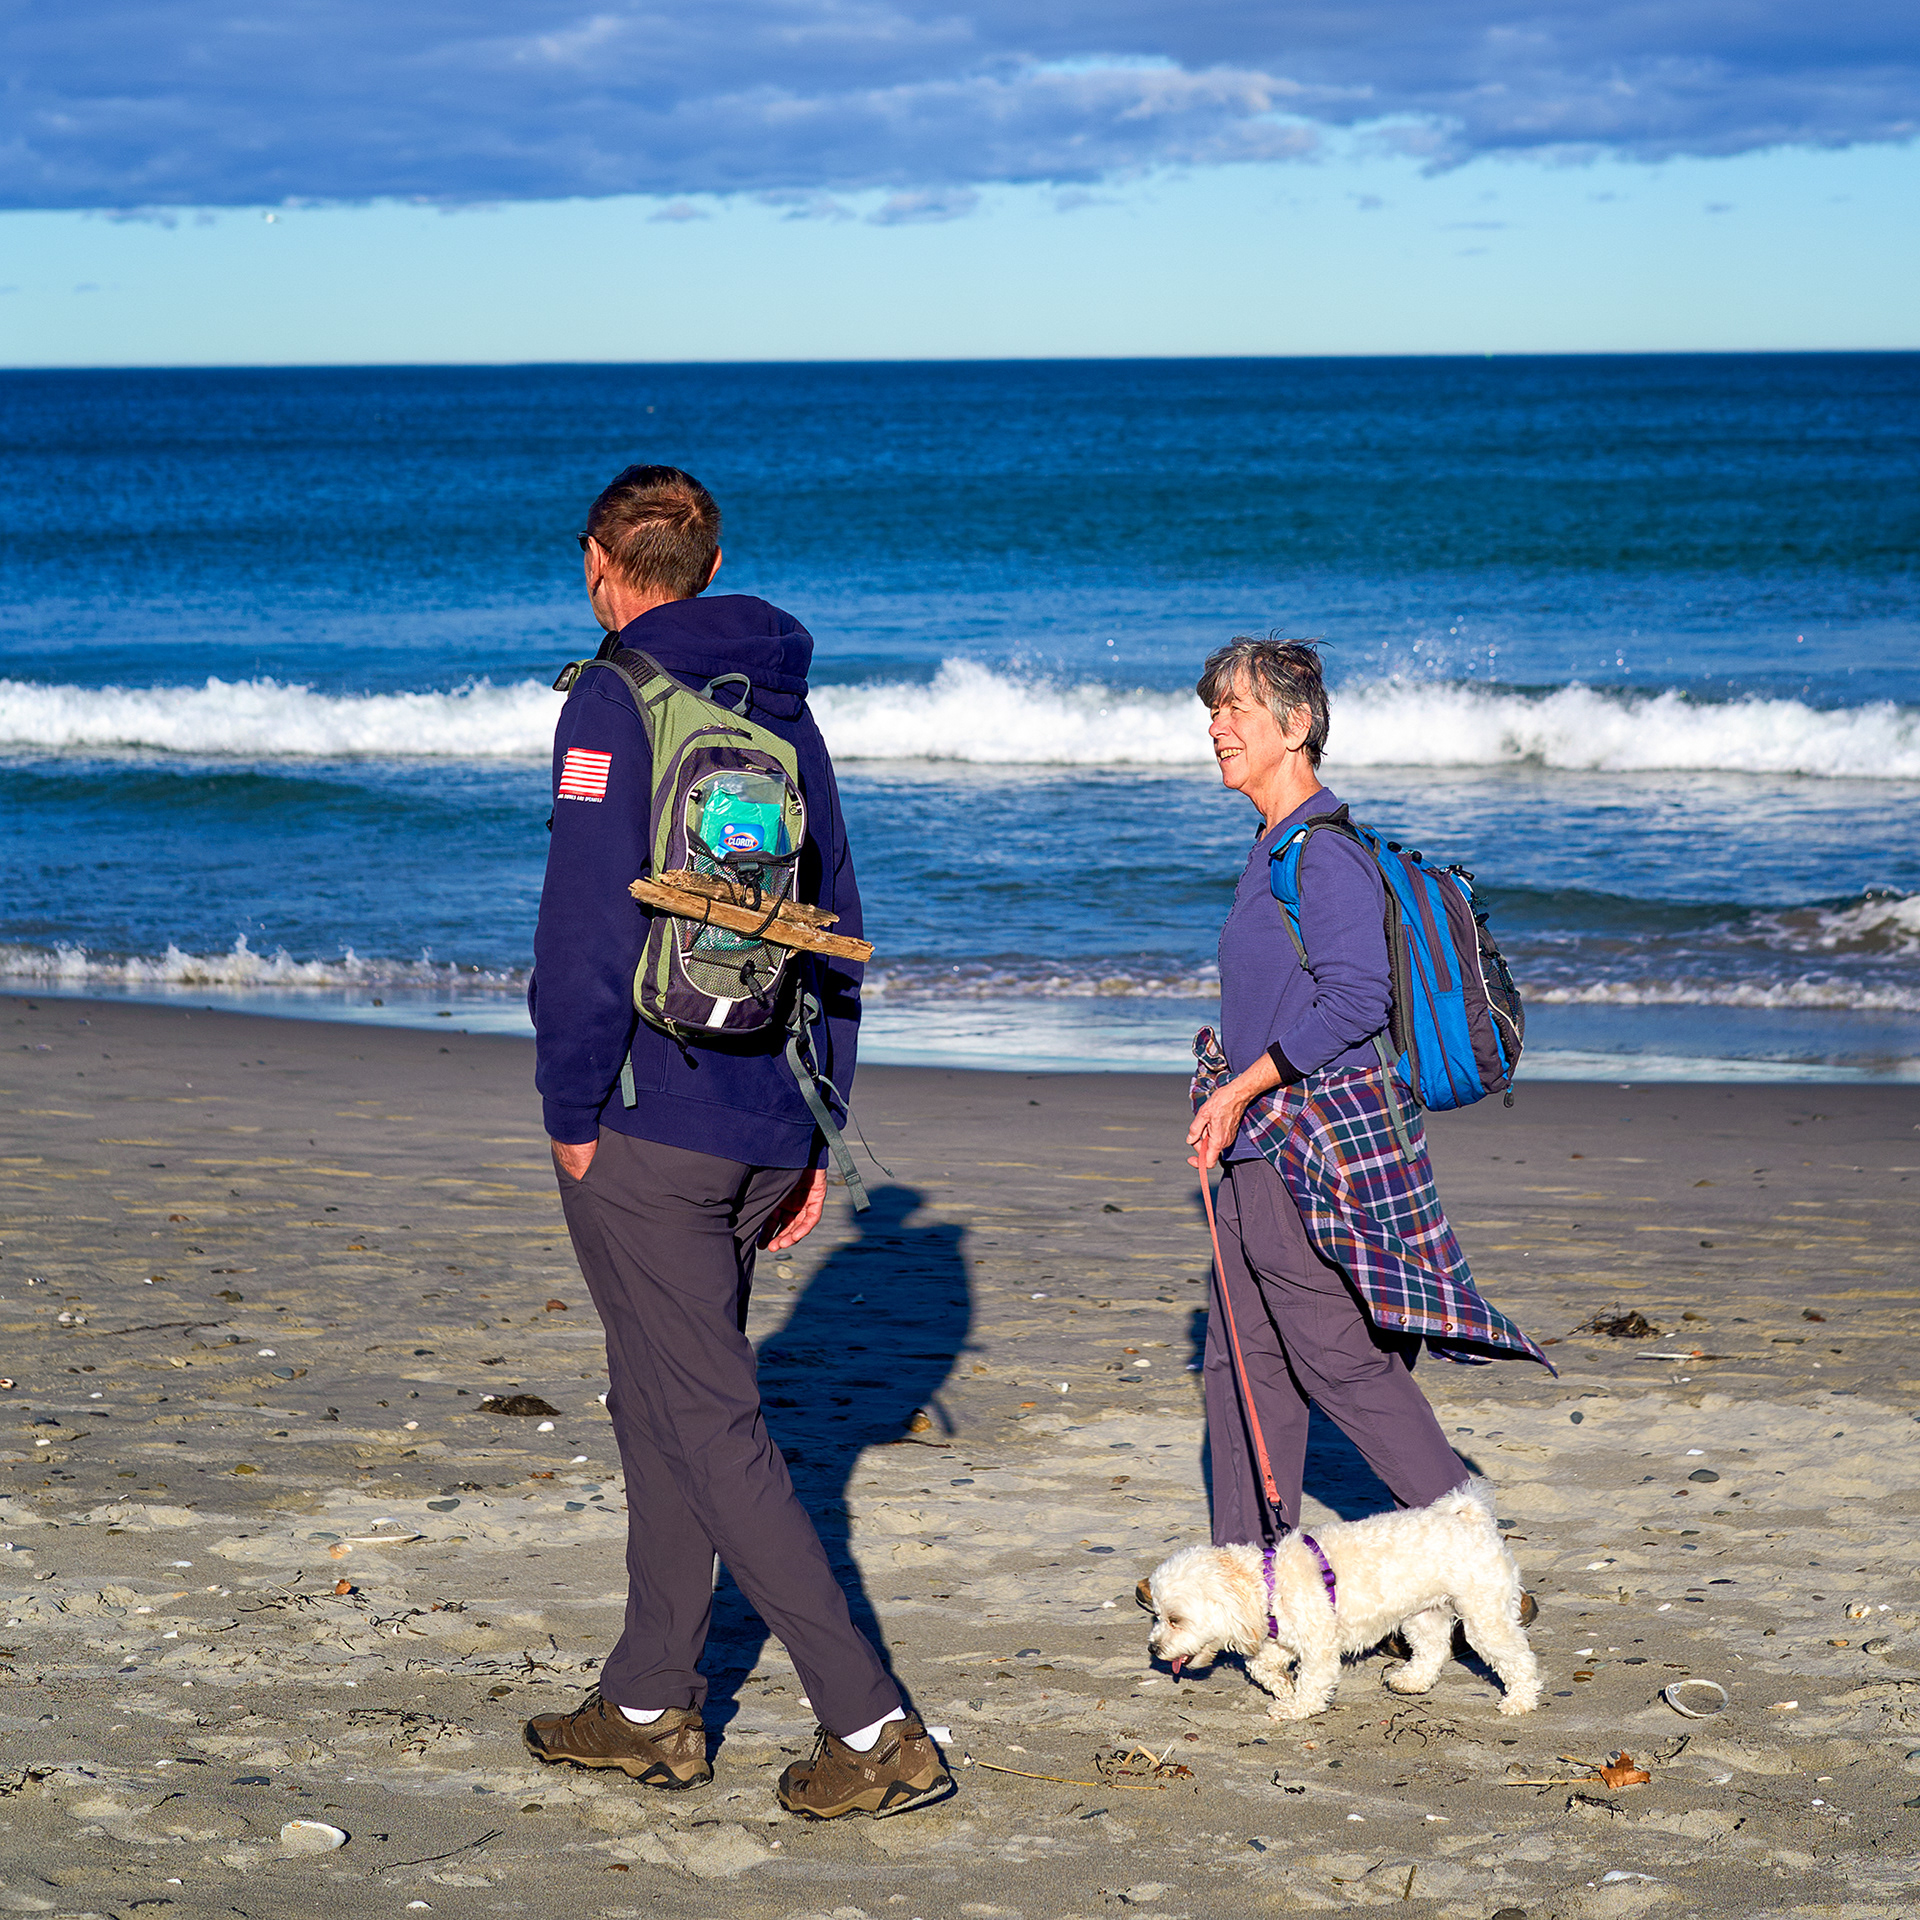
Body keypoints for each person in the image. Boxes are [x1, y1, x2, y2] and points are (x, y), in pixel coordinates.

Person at [522, 464, 951, 1821]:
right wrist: (815, 1125)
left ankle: (874, 1729)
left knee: (708, 1423)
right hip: (762, 1114)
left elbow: (585, 932)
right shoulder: (783, 707)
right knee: (655, 1398)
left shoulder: (614, 698)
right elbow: (840, 929)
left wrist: (569, 1109)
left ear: (605, 562)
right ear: (708, 563)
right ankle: (650, 1703)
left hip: (648, 1119)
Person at [1184, 638, 1549, 1547]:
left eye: (1237, 708)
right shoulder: (1270, 849)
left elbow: (1358, 1000)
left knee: (1338, 1361)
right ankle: (1250, 1577)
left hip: (1302, 1150)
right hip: (1251, 1146)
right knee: (1240, 1364)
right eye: (1212, 711)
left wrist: (1241, 1090)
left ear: (1297, 725)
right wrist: (1229, 1102)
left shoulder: (1324, 857)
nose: (1218, 727)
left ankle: (1472, 1550)